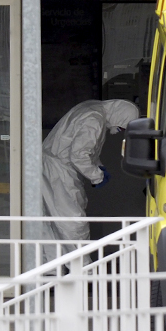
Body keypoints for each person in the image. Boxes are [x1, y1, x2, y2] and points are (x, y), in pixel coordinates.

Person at [40, 99, 140, 258]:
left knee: (53, 222)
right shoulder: (94, 119)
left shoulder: (92, 109)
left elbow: (85, 148)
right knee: (74, 221)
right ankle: (82, 268)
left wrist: (98, 166)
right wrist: (97, 176)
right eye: (122, 126)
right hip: (60, 172)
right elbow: (79, 155)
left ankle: (53, 270)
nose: (119, 130)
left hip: (52, 167)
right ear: (120, 116)